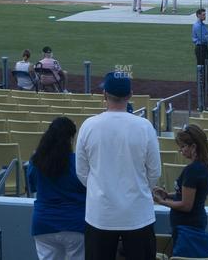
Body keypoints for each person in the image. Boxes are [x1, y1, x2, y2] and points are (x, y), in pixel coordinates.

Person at [75, 71, 161, 260]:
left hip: (101, 214)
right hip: (136, 214)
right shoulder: (144, 126)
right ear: (130, 95)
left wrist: (101, 190)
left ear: (104, 94)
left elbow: (82, 173)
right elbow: (154, 172)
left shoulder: (89, 126)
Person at [28, 117, 87, 260]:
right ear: (71, 138)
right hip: (75, 224)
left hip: (43, 223)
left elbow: (33, 186)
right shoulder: (77, 162)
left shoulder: (36, 160)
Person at [153, 125, 208, 255]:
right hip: (192, 223)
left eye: (183, 147)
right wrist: (167, 195)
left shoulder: (193, 170)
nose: (181, 150)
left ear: (193, 147)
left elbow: (186, 205)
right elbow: (189, 195)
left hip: (187, 227)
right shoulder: (205, 166)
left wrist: (162, 202)